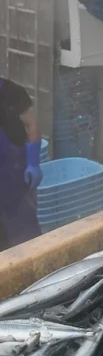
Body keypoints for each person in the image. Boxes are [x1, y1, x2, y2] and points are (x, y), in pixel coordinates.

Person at [0, 78, 42, 248]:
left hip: (14, 180)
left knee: (27, 241)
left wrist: (33, 163)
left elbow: (32, 124)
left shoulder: (11, 91)